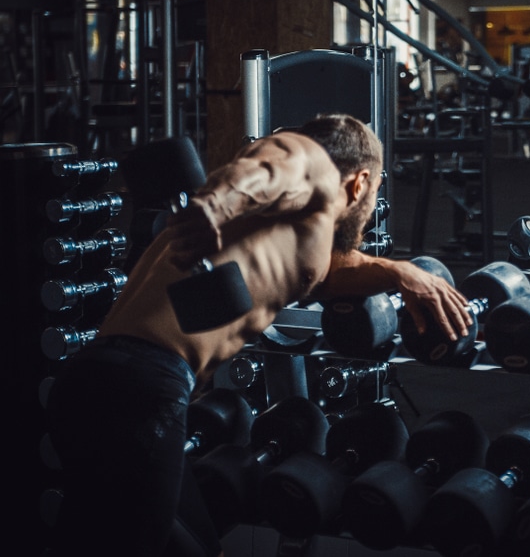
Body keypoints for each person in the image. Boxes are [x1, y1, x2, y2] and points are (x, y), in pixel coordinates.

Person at [45, 114, 473, 557]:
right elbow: (266, 168)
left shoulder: (286, 233)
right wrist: (211, 205)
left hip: (97, 382)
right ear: (360, 183)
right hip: (140, 389)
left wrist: (403, 273)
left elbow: (327, 274)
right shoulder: (309, 159)